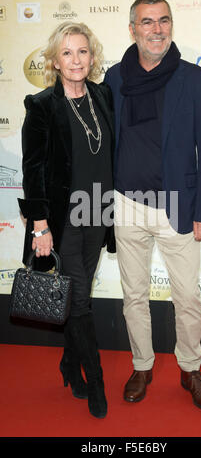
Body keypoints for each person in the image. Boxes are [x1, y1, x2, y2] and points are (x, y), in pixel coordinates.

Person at [105, 0, 201, 410]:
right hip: (125, 204)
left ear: (171, 25)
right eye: (147, 22)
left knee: (186, 296)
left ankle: (190, 369)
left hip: (179, 204)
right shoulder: (115, 78)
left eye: (163, 21)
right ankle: (142, 365)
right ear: (133, 29)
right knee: (133, 294)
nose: (157, 29)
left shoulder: (194, 79)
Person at [18, 21, 115, 419]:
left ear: (92, 57)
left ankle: (67, 364)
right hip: (64, 219)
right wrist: (40, 226)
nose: (76, 60)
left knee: (79, 296)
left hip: (99, 213)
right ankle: (95, 382)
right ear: (55, 61)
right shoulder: (41, 105)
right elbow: (32, 170)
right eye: (67, 53)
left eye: (83, 51)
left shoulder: (103, 96)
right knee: (80, 306)